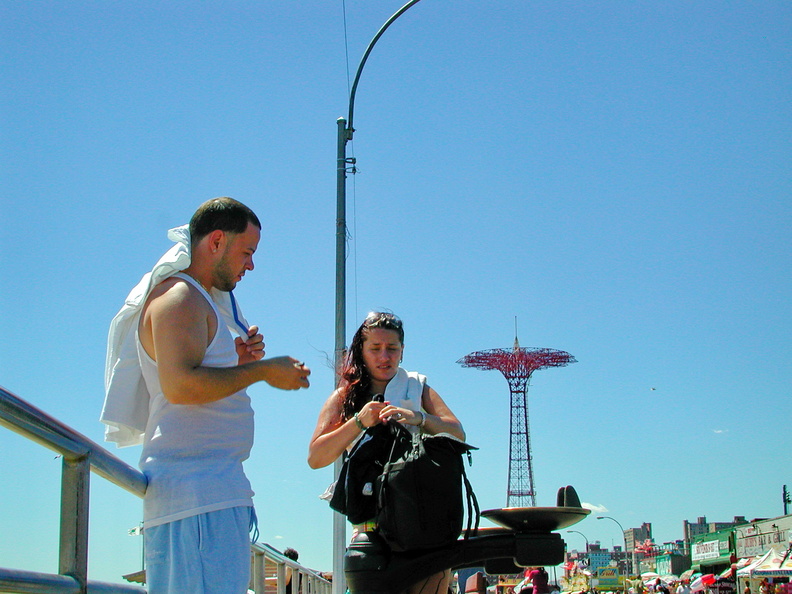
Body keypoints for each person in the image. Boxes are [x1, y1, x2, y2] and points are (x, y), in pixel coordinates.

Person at [102, 197, 311, 594]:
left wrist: (237, 366)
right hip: (194, 503)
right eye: (246, 252)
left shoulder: (198, 300)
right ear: (216, 241)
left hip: (208, 501)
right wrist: (263, 370)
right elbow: (180, 387)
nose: (250, 264)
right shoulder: (180, 298)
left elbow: (193, 384)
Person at [308, 311, 465, 594]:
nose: (384, 357)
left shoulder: (418, 386)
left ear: (402, 351)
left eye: (392, 349)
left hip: (422, 521)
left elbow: (458, 432)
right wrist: (358, 422)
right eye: (375, 349)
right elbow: (316, 457)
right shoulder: (344, 397)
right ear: (362, 352)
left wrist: (419, 418)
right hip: (371, 530)